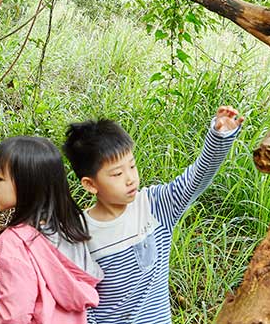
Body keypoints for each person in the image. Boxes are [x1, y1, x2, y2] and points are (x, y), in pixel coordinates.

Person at [63, 106, 243, 324]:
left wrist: (219, 136)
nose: (130, 178)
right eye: (117, 173)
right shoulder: (78, 233)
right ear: (90, 184)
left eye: (132, 166)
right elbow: (77, 302)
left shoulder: (154, 206)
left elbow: (197, 178)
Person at [0, 136, 102, 324]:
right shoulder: (69, 229)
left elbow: (14, 313)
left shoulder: (16, 241)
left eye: (1, 178)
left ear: (28, 185)